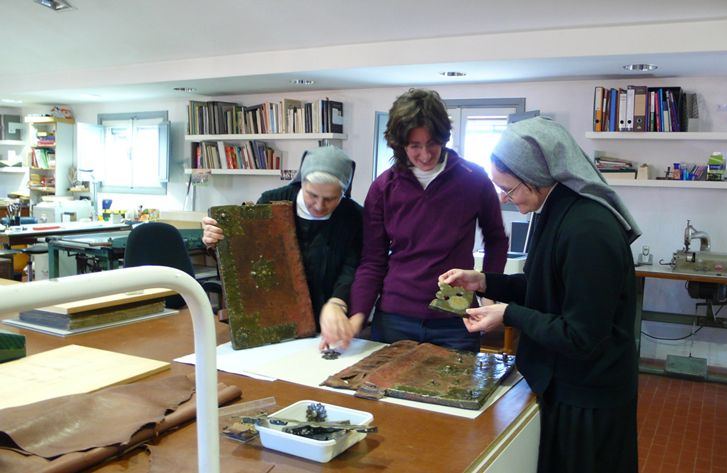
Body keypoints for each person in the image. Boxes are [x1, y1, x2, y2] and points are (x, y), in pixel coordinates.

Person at [440, 116, 642, 472]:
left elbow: (581, 336)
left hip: (589, 398)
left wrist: (508, 315)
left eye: (509, 188)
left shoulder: (588, 231)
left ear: (537, 176)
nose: (503, 197)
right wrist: (483, 281)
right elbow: (541, 288)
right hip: (565, 385)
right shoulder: (555, 212)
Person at [348, 88, 508, 352]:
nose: (425, 154)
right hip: (395, 318)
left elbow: (496, 240)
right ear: (400, 144)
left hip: (455, 319)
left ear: (444, 138)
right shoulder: (383, 188)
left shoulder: (474, 179)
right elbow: (372, 261)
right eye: (414, 146)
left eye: (432, 143)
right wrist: (358, 315)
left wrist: (489, 294)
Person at [201, 146, 363, 351]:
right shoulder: (271, 203)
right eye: (312, 195)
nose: (320, 205)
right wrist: (216, 241)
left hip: (329, 324)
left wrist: (338, 303)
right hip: (274, 318)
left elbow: (352, 266)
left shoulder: (354, 217)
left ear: (343, 192)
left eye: (330, 199)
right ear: (301, 182)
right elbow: (248, 258)